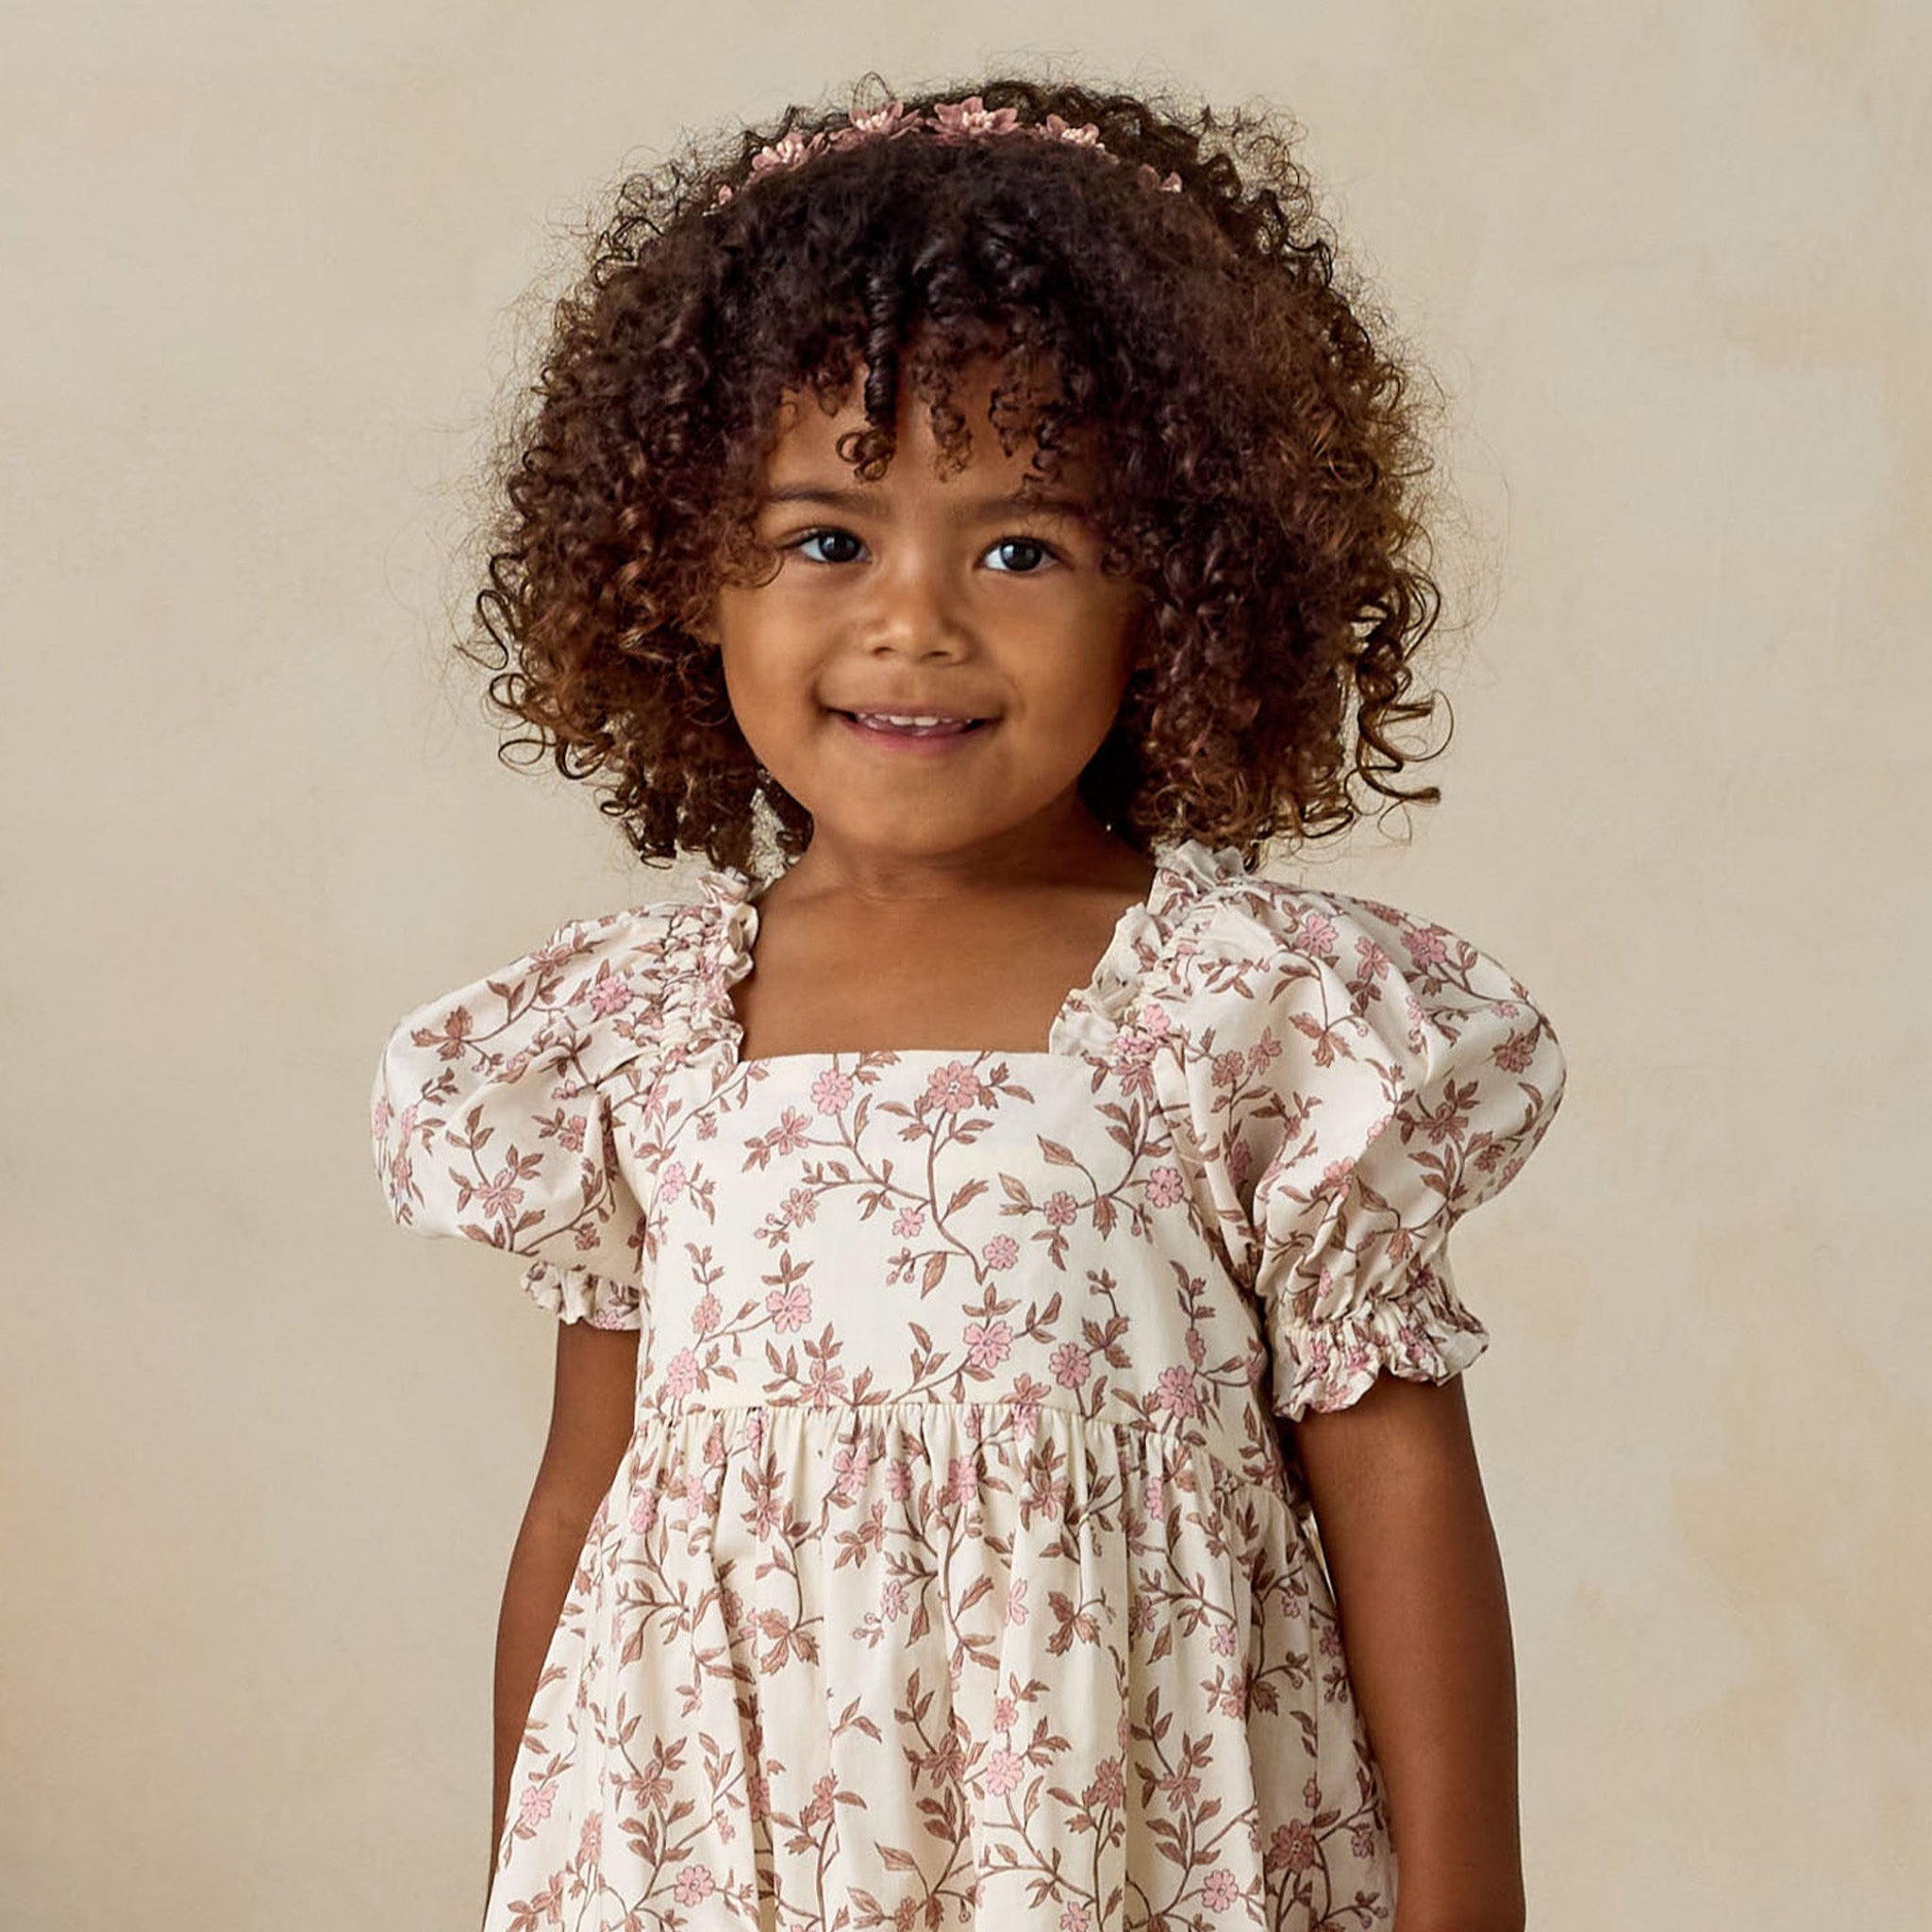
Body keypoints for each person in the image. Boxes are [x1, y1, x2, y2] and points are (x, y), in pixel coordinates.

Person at [369, 72, 1567, 1932]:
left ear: (1175, 596)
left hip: (1135, 1855)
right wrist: (532, 1871)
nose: (915, 621)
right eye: (826, 538)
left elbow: (1397, 1489)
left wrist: (1464, 1902)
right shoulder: (637, 1038)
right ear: (684, 573)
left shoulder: (1252, 1018)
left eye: (1022, 549)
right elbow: (588, 1503)